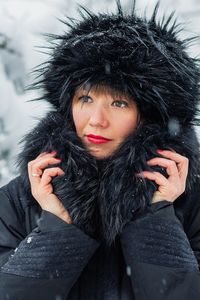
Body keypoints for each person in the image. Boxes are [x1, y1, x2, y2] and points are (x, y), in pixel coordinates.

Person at [0, 1, 200, 299]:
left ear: (149, 115)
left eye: (118, 103)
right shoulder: (19, 200)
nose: (96, 120)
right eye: (86, 99)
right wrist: (56, 227)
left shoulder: (192, 203)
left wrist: (155, 220)